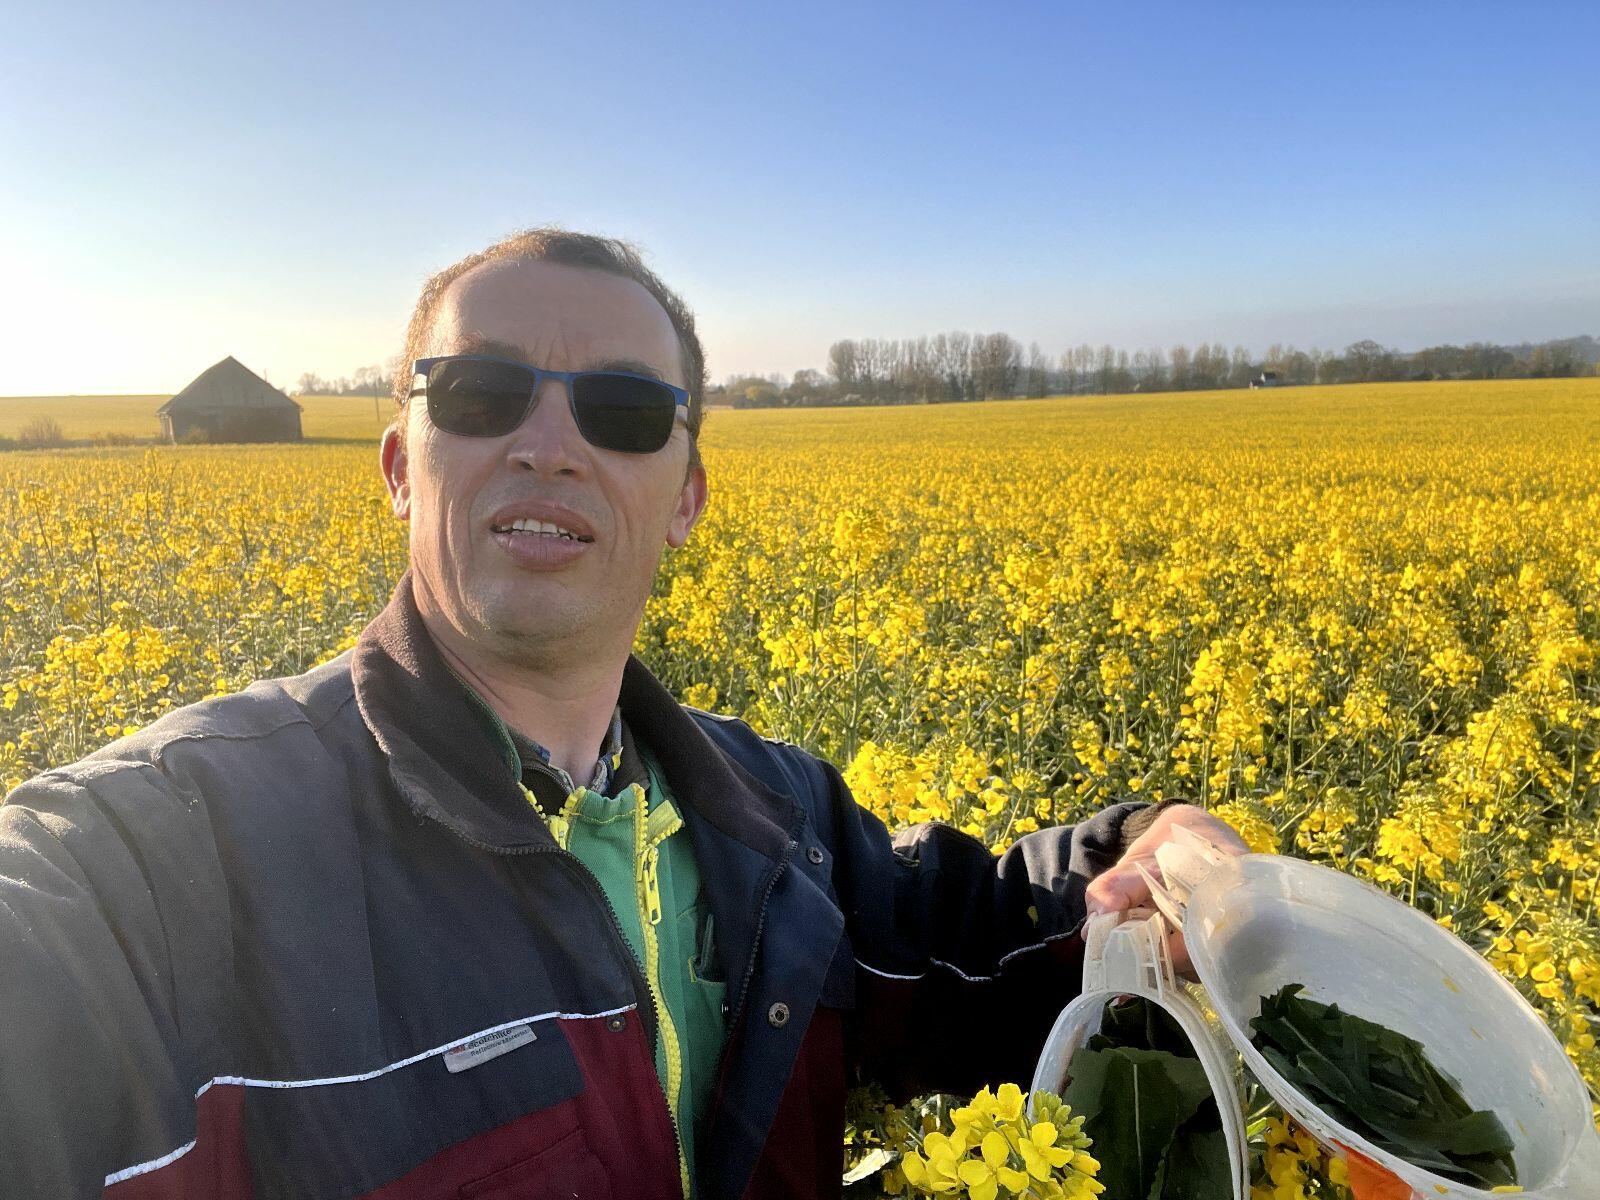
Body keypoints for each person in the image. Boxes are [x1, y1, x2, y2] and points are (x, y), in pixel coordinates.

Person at [0, 227, 1247, 1200]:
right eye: (480, 392)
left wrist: (1145, 857)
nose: (548, 445)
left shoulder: (777, 817)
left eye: (625, 412)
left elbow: (973, 940)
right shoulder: (168, 859)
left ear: (687, 496)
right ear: (397, 467)